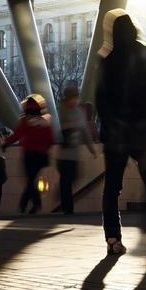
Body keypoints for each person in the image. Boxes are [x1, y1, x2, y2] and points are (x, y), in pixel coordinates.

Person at [99, 13, 146, 255]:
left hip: (116, 135)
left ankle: (113, 237)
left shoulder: (107, 59)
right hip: (140, 133)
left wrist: (110, 125)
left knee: (112, 188)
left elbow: (101, 101)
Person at [8, 95, 54, 213]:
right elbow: (50, 139)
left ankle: (28, 204)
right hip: (41, 156)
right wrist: (45, 149)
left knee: (30, 180)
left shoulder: (25, 121)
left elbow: (17, 135)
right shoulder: (44, 122)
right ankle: (28, 205)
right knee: (32, 180)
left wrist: (5, 144)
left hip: (29, 155)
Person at [55, 85, 90, 214]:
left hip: (73, 153)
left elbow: (85, 131)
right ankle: (68, 209)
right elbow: (66, 124)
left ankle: (66, 204)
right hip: (65, 155)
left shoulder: (79, 112)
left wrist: (90, 147)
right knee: (67, 181)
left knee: (72, 178)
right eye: (72, 98)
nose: (73, 101)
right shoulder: (62, 110)